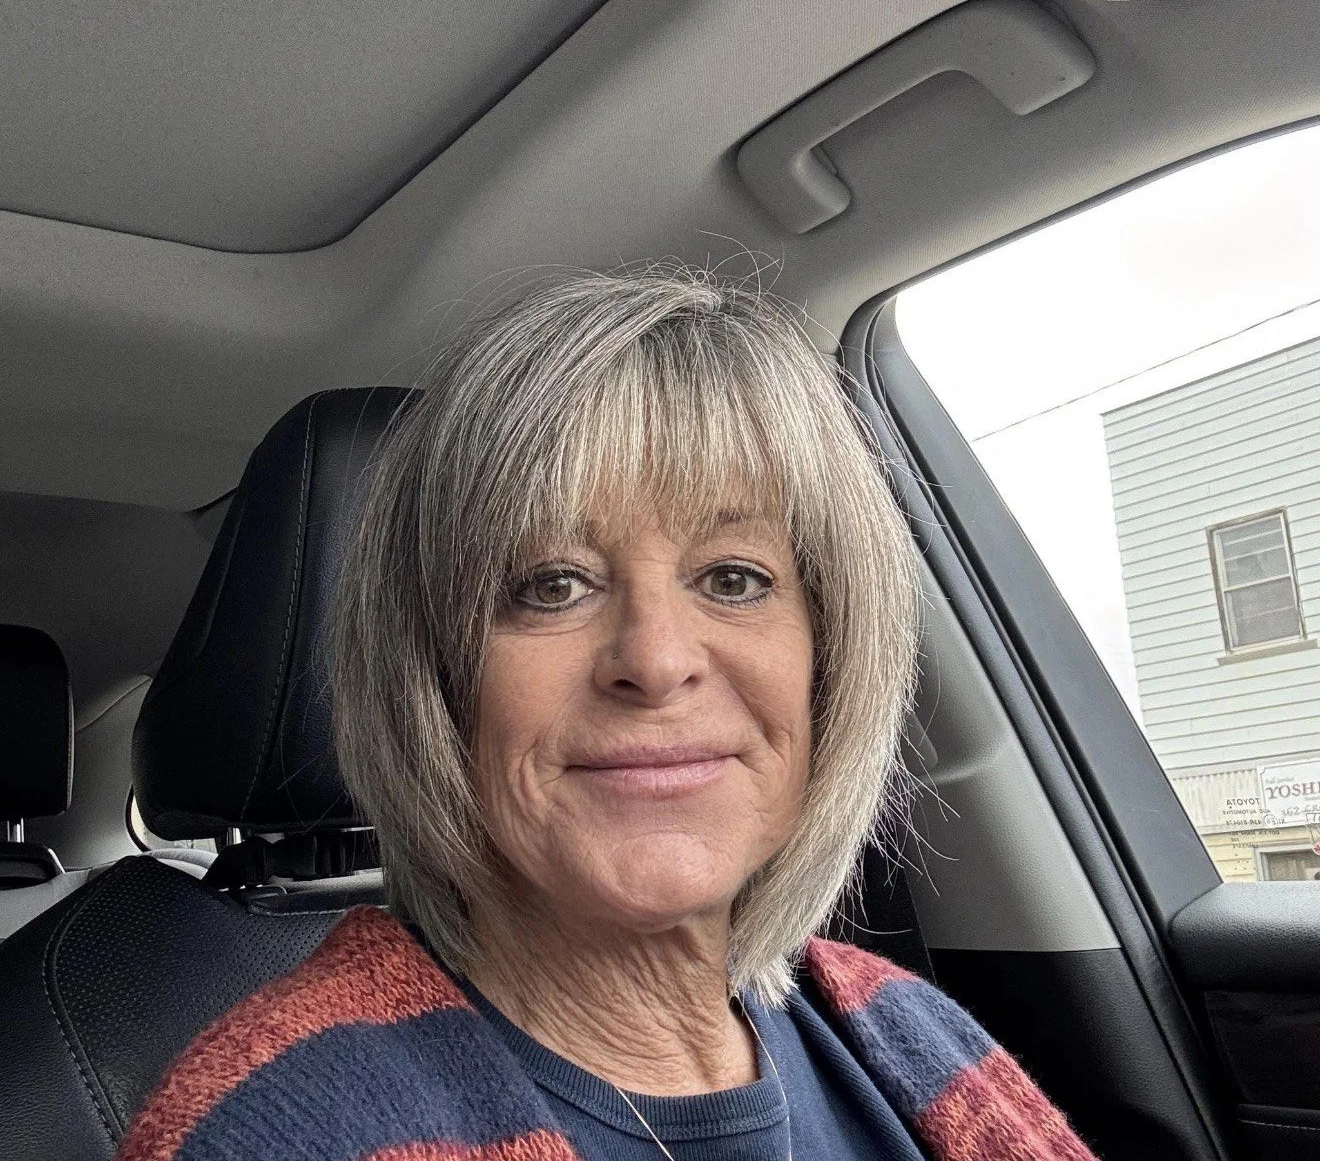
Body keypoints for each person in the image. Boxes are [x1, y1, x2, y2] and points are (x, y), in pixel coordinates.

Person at [117, 268, 1096, 1160]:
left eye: (734, 576)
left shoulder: (911, 1030)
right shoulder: (274, 1129)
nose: (658, 659)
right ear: (437, 678)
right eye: (552, 584)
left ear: (828, 656)